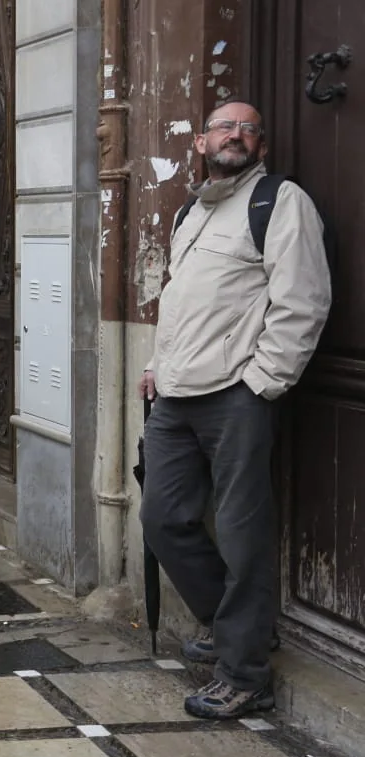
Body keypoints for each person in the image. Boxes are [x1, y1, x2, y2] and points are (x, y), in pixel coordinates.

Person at [139, 100, 331, 720]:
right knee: (163, 518)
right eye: (225, 126)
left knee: (244, 535)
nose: (237, 135)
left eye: (250, 128)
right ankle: (235, 625)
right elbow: (183, 300)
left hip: (235, 395)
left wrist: (263, 382)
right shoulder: (193, 210)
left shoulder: (280, 201)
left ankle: (245, 673)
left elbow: (303, 298)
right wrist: (155, 365)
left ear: (262, 146)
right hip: (175, 393)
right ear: (201, 142)